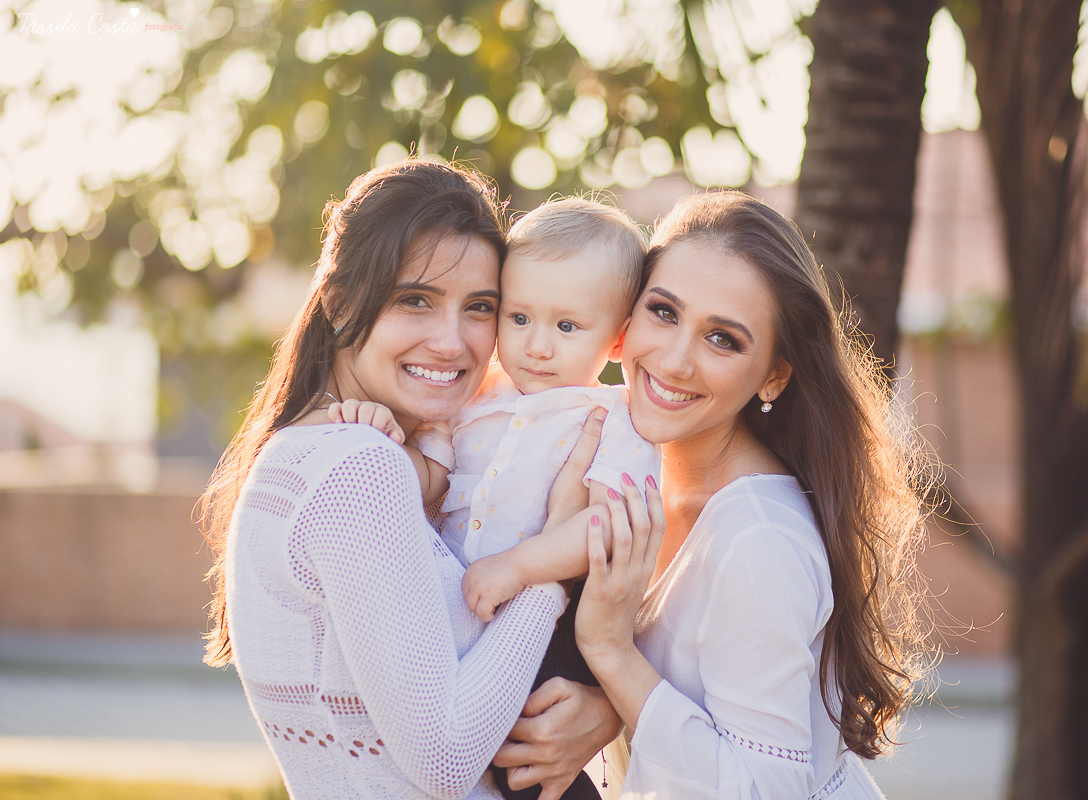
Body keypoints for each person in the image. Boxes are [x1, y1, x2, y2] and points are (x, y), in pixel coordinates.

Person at [198, 160, 620, 800]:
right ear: (340, 303)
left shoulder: (313, 454)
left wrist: (599, 707)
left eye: (480, 308)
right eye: (415, 300)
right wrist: (553, 567)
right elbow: (448, 762)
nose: (452, 343)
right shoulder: (358, 469)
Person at [574, 191, 928, 799]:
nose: (675, 360)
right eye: (663, 312)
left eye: (723, 340)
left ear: (774, 374)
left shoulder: (758, 540)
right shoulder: (625, 474)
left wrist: (610, 653)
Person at [329, 196, 660, 800]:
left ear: (616, 342)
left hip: (552, 628)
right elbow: (428, 485)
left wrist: (518, 567)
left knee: (531, 756)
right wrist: (379, 436)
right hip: (462, 622)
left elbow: (606, 527)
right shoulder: (473, 398)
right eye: (519, 317)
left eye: (567, 326)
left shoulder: (611, 419)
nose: (537, 345)